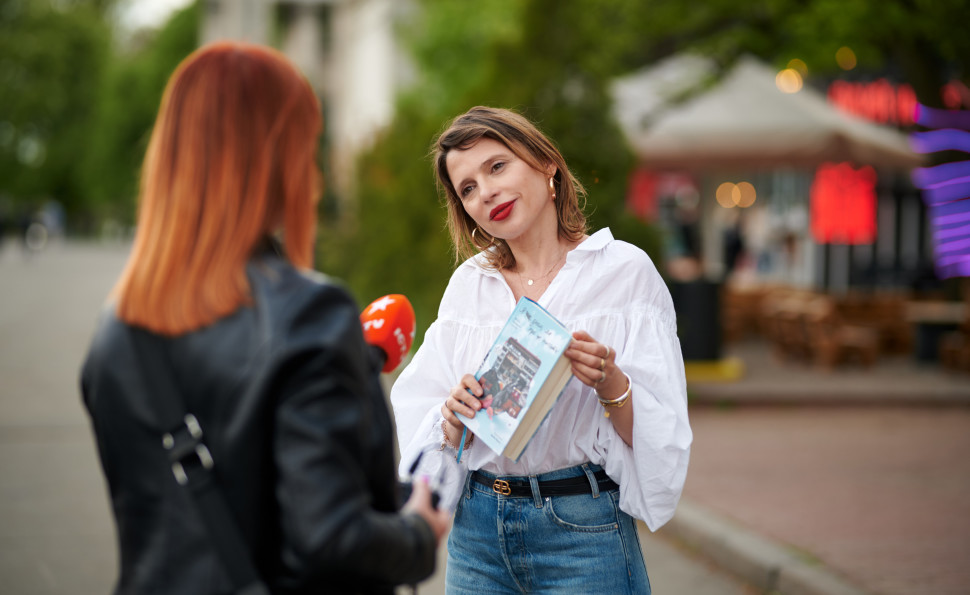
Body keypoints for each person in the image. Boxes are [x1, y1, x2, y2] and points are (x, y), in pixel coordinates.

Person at [80, 42, 449, 595]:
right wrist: (418, 533)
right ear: (275, 156)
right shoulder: (306, 313)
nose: (314, 168)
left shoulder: (118, 329)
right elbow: (329, 538)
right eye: (305, 145)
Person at [391, 106, 692, 593]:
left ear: (546, 163)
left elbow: (664, 435)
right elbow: (421, 425)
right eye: (467, 188)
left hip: (584, 534)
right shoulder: (470, 285)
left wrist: (610, 382)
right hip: (477, 538)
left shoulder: (622, 272)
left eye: (496, 167)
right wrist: (450, 417)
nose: (485, 192)